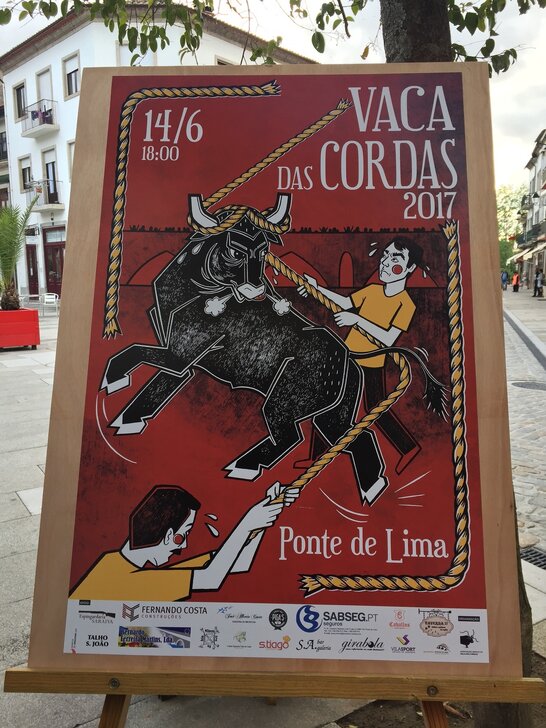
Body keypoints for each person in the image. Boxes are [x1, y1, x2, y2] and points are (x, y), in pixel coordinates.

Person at [298, 237, 422, 504]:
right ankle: (317, 454)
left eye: (396, 259)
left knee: (372, 407)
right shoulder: (372, 291)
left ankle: (407, 448)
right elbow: (345, 303)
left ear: (410, 268)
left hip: (371, 363)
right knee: (329, 404)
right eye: (385, 256)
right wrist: (317, 289)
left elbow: (388, 339)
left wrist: (357, 320)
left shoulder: (405, 304)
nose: (386, 263)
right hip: (348, 357)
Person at [70, 481, 299, 601]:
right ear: (168, 534)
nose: (184, 545)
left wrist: (268, 510)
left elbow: (237, 563)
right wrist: (248, 523)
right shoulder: (127, 582)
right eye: (183, 535)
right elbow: (211, 578)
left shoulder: (119, 565)